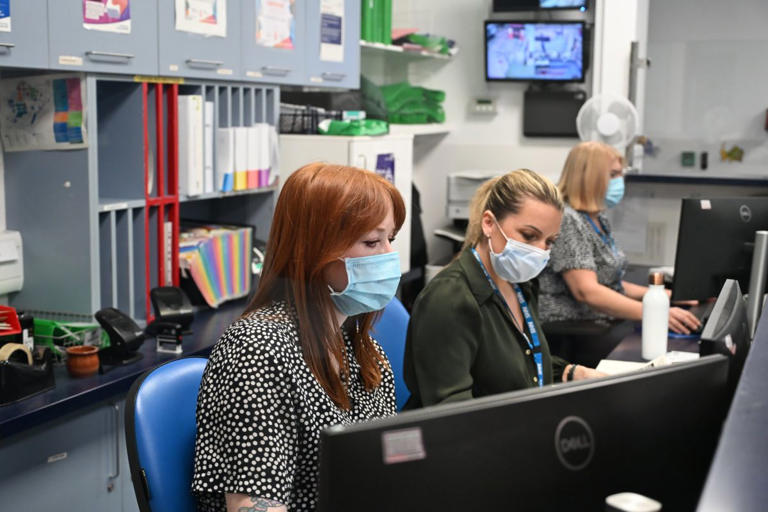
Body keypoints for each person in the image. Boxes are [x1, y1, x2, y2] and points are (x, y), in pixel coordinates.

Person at [192, 163, 406, 512]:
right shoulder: (257, 351)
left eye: (390, 239)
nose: (388, 257)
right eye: (371, 241)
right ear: (315, 250)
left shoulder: (361, 345)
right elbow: (252, 504)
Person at [403, 169, 602, 409]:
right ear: (489, 224)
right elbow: (451, 410)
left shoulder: (521, 284)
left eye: (550, 242)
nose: (540, 251)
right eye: (529, 236)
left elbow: (522, 360)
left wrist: (573, 373)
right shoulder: (449, 298)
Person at [538, 141, 701, 366]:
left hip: (600, 322)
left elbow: (612, 284)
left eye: (620, 174)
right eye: (613, 174)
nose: (620, 181)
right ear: (589, 176)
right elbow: (588, 292)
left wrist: (666, 297)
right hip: (573, 329)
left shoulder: (596, 218)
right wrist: (654, 313)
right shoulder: (567, 219)